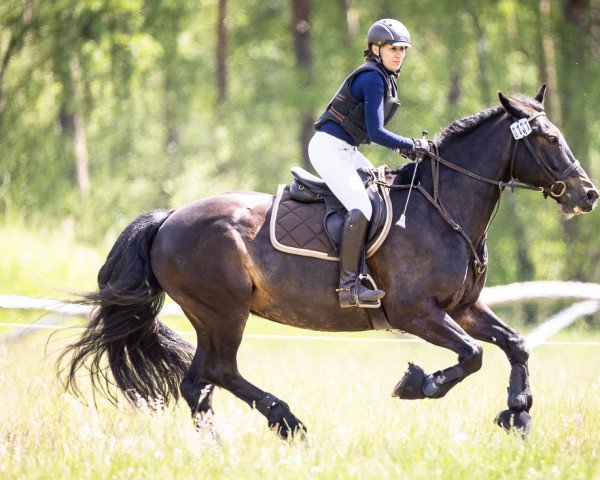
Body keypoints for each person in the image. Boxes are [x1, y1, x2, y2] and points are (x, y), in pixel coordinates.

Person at [309, 18, 431, 308]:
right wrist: (411, 144)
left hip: (346, 150)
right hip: (328, 149)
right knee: (361, 206)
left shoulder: (384, 77)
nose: (399, 54)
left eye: (403, 49)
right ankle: (349, 287)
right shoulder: (373, 78)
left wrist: (405, 149)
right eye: (393, 48)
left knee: (380, 196)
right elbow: (376, 133)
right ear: (376, 49)